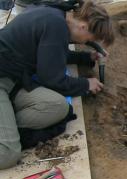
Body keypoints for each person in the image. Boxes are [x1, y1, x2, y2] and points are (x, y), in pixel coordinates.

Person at [0, 0, 114, 169]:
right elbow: (52, 78)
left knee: (58, 107)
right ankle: (6, 134)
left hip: (12, 77)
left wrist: (84, 58)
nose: (86, 43)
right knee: (8, 154)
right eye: (90, 39)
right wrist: (85, 85)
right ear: (83, 27)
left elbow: (51, 54)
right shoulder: (56, 25)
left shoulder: (55, 15)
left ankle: (6, 128)